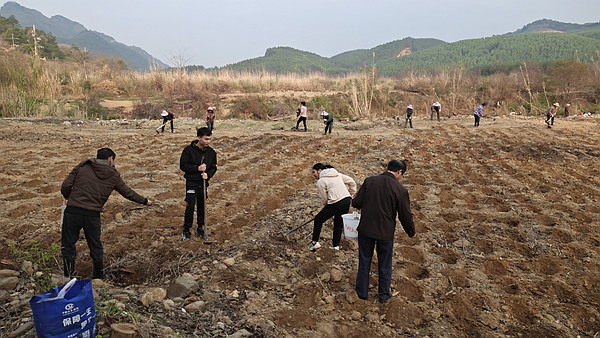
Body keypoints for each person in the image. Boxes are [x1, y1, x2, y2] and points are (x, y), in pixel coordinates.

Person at [60, 148, 153, 279]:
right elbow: (127, 192)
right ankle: (98, 276)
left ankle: (67, 277)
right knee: (95, 245)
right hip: (93, 214)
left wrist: (69, 196)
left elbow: (65, 185)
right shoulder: (113, 175)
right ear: (110, 158)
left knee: (68, 244)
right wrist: (145, 201)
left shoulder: (83, 166)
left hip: (73, 211)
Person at [352, 160, 416, 303]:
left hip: (365, 229)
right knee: (385, 264)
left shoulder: (370, 181)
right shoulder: (400, 190)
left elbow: (356, 203)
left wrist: (355, 199)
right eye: (402, 175)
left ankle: (361, 293)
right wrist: (411, 232)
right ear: (399, 172)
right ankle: (383, 295)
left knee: (364, 261)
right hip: (385, 233)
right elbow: (405, 214)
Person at [179, 127, 218, 241]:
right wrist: (197, 168)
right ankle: (187, 229)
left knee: (202, 205)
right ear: (199, 137)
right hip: (191, 183)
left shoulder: (211, 153)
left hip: (203, 183)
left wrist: (208, 175)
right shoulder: (188, 150)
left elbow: (213, 167)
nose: (208, 142)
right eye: (206, 139)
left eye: (210, 139)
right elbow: (183, 166)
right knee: (190, 206)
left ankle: (200, 227)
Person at [308, 163, 357, 251]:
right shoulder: (337, 174)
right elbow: (351, 182)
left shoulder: (321, 181)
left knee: (318, 219)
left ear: (319, 170)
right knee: (338, 223)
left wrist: (328, 206)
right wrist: (351, 194)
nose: (313, 175)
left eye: (314, 172)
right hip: (346, 200)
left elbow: (324, 198)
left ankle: (314, 242)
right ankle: (336, 245)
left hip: (335, 202)